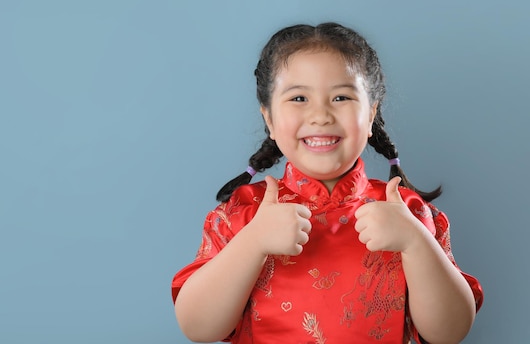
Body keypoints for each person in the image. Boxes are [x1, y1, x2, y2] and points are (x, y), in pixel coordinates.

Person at [171, 22, 483, 343]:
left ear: (371, 115)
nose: (320, 115)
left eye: (341, 97)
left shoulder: (409, 214)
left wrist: (416, 243)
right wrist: (253, 242)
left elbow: (449, 332)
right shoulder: (243, 213)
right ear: (269, 119)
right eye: (299, 98)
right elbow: (198, 328)